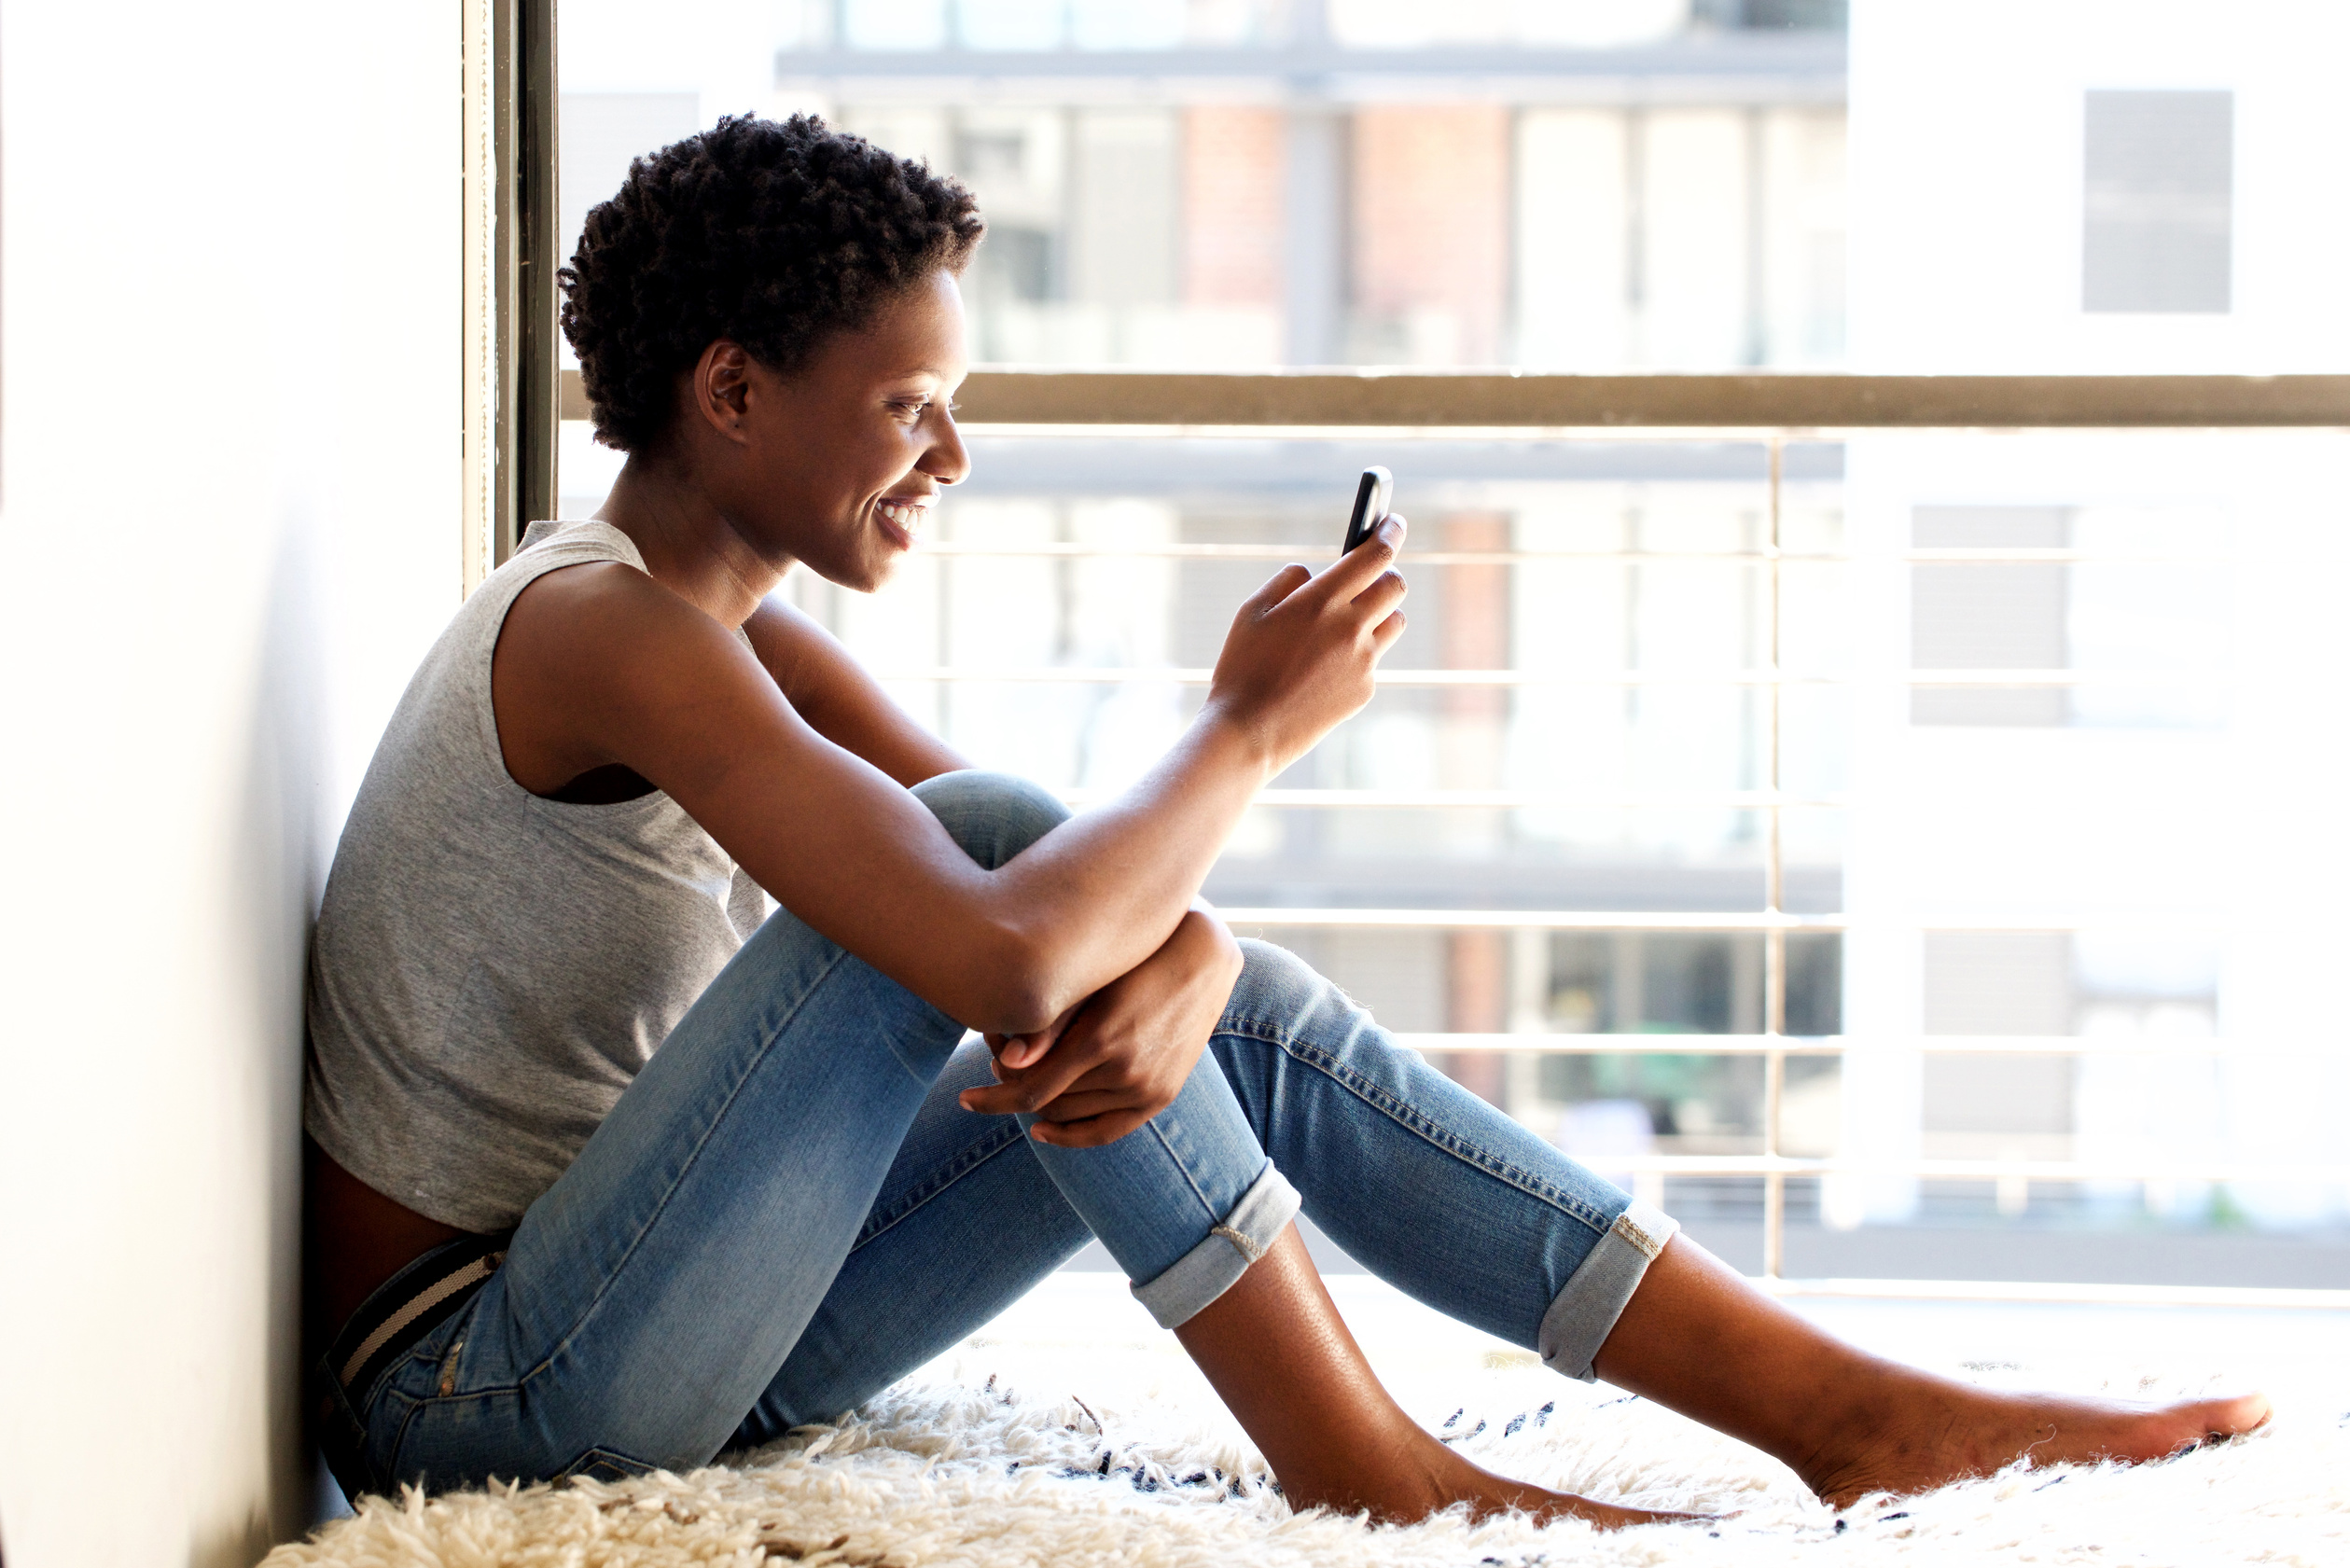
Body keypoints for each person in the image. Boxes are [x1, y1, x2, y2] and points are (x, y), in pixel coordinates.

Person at [304, 114, 2267, 1528]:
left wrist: (1209, 953)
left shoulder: (730, 632)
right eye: (910, 408)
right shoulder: (602, 633)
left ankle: (1836, 1411)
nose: (953, 456)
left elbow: (1068, 926)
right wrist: (1246, 731)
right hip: (491, 1389)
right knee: (1002, 853)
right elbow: (1000, 936)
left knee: (1129, 945)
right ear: (733, 392)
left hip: (660, 1322)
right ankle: (1370, 1462)